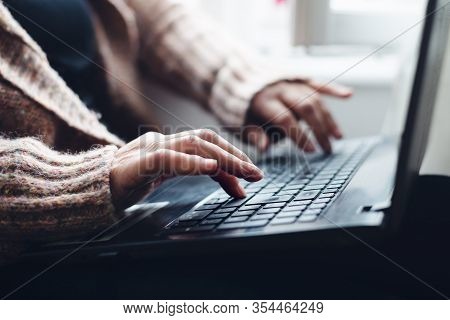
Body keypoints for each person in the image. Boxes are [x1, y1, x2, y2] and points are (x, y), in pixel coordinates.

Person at [0, 0, 351, 264]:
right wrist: (84, 181)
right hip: (44, 258)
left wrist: (240, 80)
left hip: (146, 203)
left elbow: (146, 12)